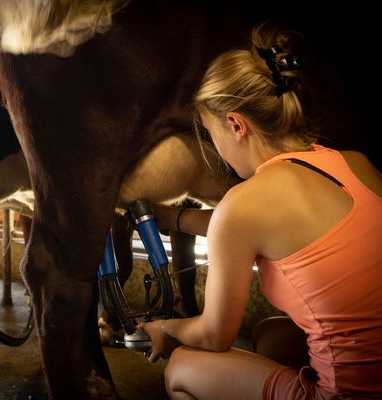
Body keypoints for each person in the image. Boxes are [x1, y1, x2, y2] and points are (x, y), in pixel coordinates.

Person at [140, 23, 382, 400]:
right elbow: (278, 232)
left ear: (236, 124)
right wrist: (175, 219)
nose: (216, 148)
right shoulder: (354, 164)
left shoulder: (244, 204)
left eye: (210, 132)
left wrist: (167, 329)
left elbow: (213, 335)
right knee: (272, 334)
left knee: (184, 365)